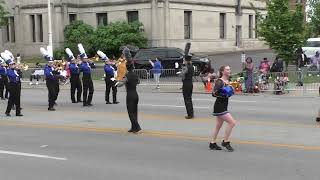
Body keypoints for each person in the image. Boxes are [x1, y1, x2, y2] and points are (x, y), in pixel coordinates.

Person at [210, 65, 236, 152]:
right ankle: (226, 141)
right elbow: (213, 94)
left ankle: (212, 143)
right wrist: (224, 94)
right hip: (219, 107)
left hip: (224, 105)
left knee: (218, 126)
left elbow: (227, 93)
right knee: (232, 123)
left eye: (229, 69)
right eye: (227, 69)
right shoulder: (219, 81)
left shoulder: (227, 81)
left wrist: (231, 92)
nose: (229, 71)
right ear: (222, 71)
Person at [116, 48, 141, 133]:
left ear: (127, 67)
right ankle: (133, 127)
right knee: (135, 111)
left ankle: (136, 126)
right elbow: (138, 82)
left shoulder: (127, 75)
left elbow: (121, 84)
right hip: (136, 94)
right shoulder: (135, 75)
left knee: (130, 112)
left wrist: (116, 83)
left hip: (130, 95)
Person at [178, 42, 194, 119]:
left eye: (184, 59)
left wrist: (179, 71)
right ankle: (191, 113)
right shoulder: (192, 66)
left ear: (186, 60)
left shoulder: (186, 67)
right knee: (189, 98)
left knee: (187, 99)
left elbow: (181, 74)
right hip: (190, 83)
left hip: (186, 84)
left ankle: (190, 114)